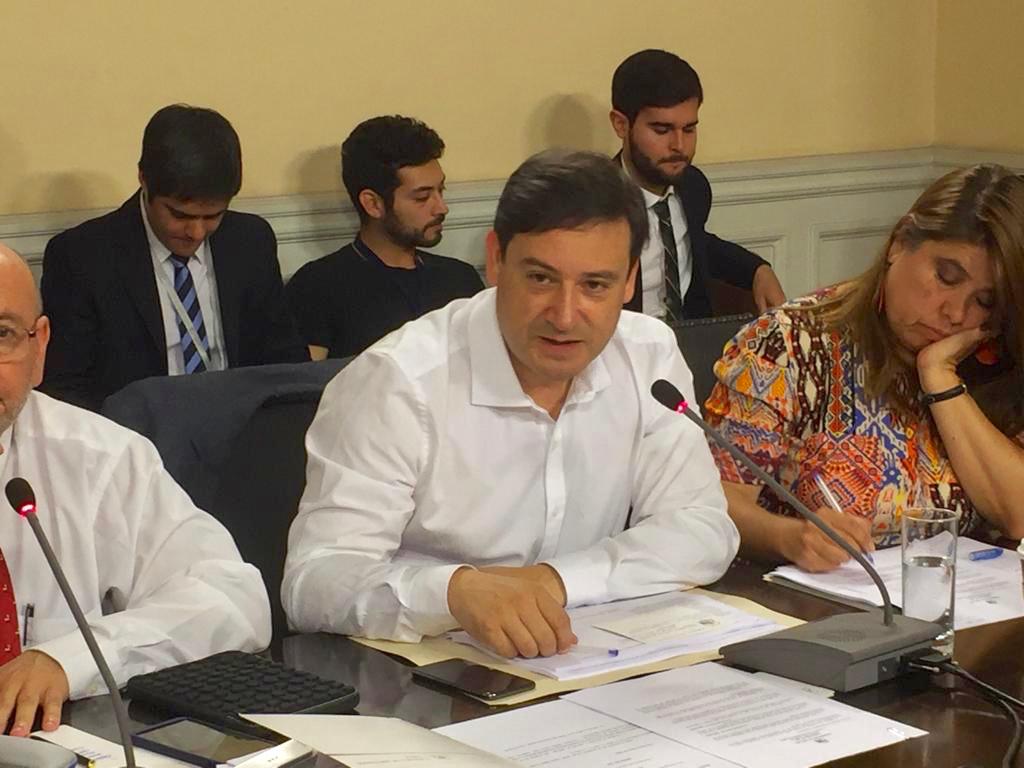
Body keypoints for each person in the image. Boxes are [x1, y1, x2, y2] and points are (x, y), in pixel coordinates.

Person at [282, 150, 739, 658]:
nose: (565, 316)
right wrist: (454, 593)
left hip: (588, 657)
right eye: (541, 279)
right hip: (425, 669)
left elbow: (702, 529)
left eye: (595, 285)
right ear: (496, 259)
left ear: (630, 280)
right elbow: (313, 582)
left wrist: (552, 582)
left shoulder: (647, 353)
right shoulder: (398, 381)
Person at [0, 244, 271, 736]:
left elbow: (233, 598)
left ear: (39, 348)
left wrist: (70, 658)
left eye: (2, 335)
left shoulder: (99, 456)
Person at [704, 164, 1024, 572]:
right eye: (946, 276)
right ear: (899, 242)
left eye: (984, 300)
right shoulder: (788, 343)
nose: (956, 313)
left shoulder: (991, 359)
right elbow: (717, 500)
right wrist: (791, 538)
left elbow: (1018, 515)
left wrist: (939, 377)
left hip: (971, 600)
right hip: (818, 597)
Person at [40, 104, 308, 411]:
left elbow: (285, 358)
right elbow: (65, 391)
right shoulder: (83, 257)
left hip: (241, 422)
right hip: (136, 431)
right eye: (180, 215)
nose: (196, 232)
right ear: (144, 180)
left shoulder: (249, 241)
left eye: (213, 216)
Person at [286, 116, 484, 360]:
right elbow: (307, 379)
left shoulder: (461, 279)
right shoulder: (318, 286)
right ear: (373, 204)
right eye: (422, 197)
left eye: (441, 190)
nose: (441, 208)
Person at [610, 49, 786, 319]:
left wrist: (757, 269)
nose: (679, 145)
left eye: (689, 129)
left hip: (693, 337)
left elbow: (697, 246)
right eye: (662, 130)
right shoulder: (596, 205)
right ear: (621, 125)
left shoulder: (692, 186)